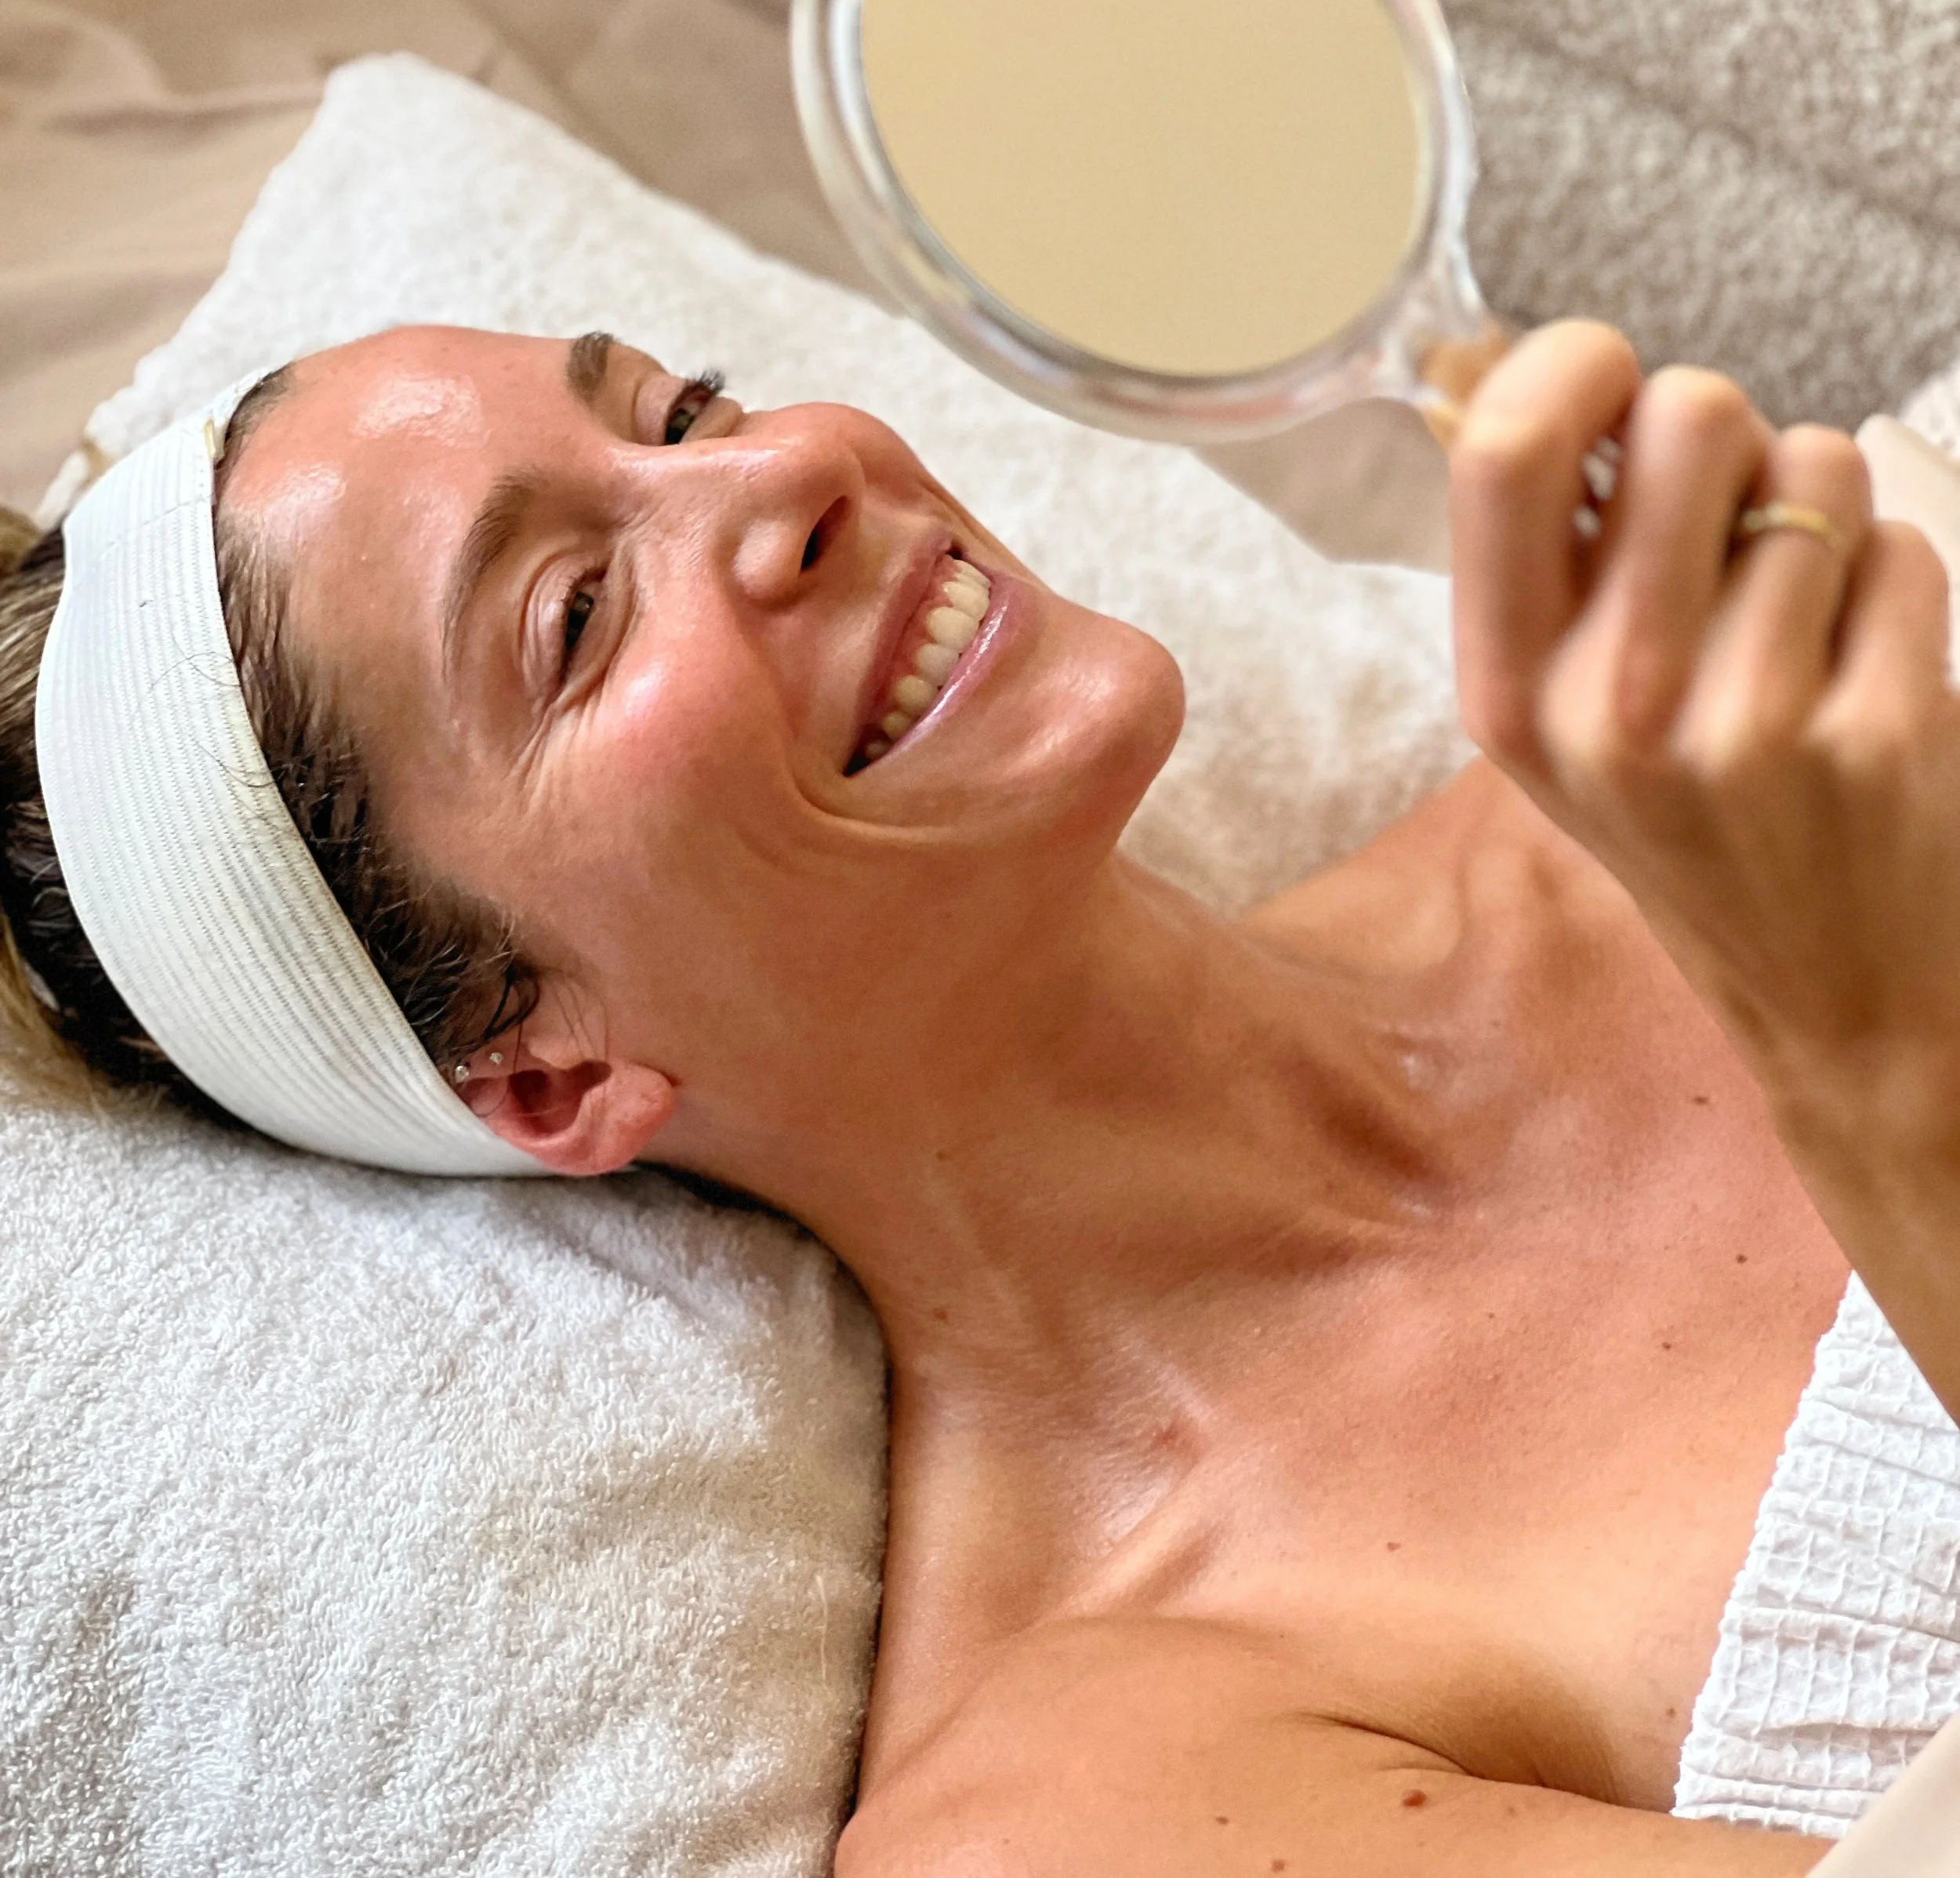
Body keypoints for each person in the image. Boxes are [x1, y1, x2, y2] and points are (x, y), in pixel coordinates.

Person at [4, 312, 1957, 1874]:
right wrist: (1868, 1044)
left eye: (684, 410)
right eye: (573, 619)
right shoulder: (1093, 1787)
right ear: (544, 1073)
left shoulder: (1694, 756)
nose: (794, 472)